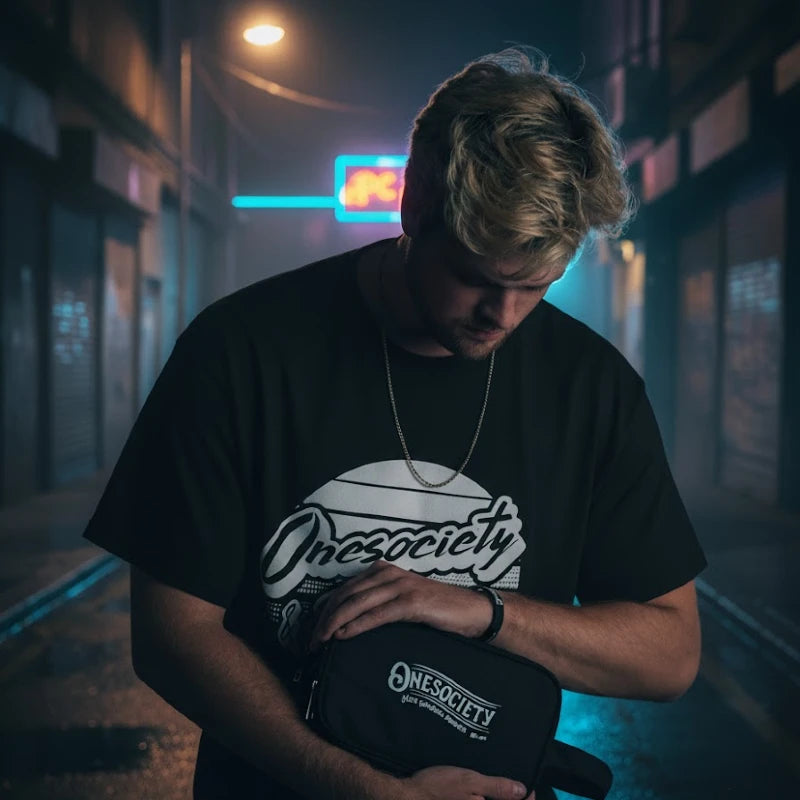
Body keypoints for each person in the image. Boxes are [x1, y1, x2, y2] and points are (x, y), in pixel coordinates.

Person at [83, 48, 706, 800]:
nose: (502, 316)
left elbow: (670, 654)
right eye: (477, 276)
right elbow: (170, 635)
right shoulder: (240, 352)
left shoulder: (591, 387)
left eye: (537, 284)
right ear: (414, 207)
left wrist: (478, 610)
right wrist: (364, 791)